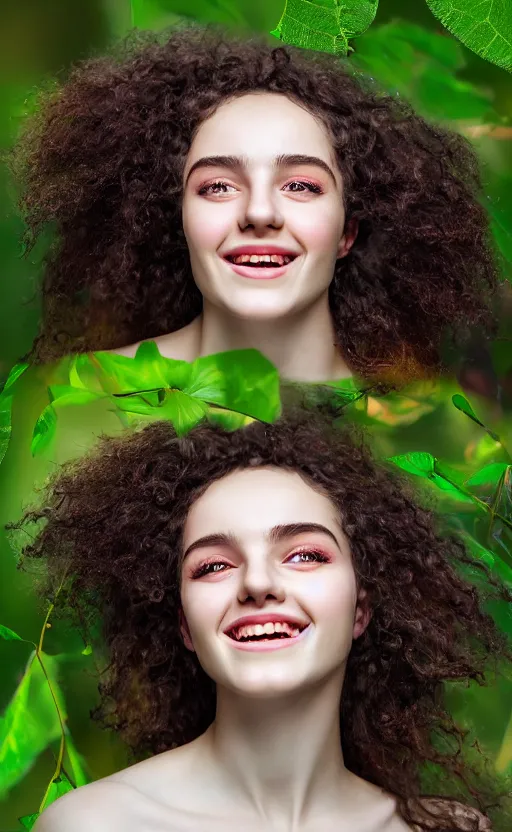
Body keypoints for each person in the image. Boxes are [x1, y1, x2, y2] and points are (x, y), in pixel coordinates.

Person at [13, 414, 509, 831]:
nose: (256, 583)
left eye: (305, 555)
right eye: (213, 566)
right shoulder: (95, 824)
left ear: (362, 608)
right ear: (185, 625)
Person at [10, 22, 500, 383]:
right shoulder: (74, 396)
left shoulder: (429, 424)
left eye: (301, 186)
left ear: (348, 232)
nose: (259, 212)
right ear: (179, 221)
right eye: (218, 187)